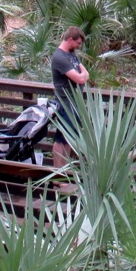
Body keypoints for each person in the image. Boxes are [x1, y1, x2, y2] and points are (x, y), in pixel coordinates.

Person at [50, 26, 88, 167]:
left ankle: (64, 172)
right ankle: (57, 175)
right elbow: (80, 78)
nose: (79, 46)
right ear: (70, 39)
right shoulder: (60, 57)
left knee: (69, 139)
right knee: (60, 139)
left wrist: (82, 75)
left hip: (75, 102)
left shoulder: (71, 54)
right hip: (64, 103)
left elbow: (85, 73)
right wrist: (82, 76)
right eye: (78, 43)